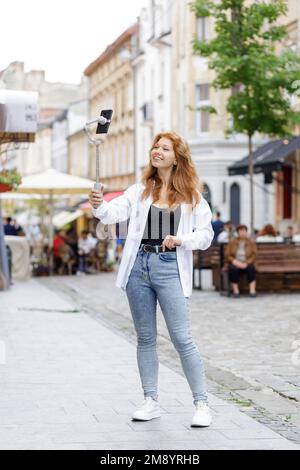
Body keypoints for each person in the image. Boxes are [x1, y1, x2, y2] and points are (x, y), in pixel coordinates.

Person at [89, 131, 214, 428]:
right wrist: (98, 204)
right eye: (156, 147)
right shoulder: (140, 191)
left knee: (182, 338)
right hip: (138, 268)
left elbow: (206, 235)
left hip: (170, 266)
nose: (157, 151)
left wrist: (181, 240)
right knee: (145, 338)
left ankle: (202, 404)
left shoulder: (192, 197)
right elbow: (110, 214)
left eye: (165, 148)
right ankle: (151, 400)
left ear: (176, 157)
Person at [227, 224, 257, 298]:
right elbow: (228, 255)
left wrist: (246, 263)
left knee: (251, 268)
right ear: (238, 232)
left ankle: (252, 290)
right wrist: (234, 261)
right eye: (241, 231)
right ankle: (236, 291)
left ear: (246, 232)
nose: (242, 232)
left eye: (244, 231)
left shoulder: (251, 242)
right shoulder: (232, 242)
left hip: (247, 262)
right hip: (236, 263)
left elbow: (254, 255)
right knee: (232, 269)